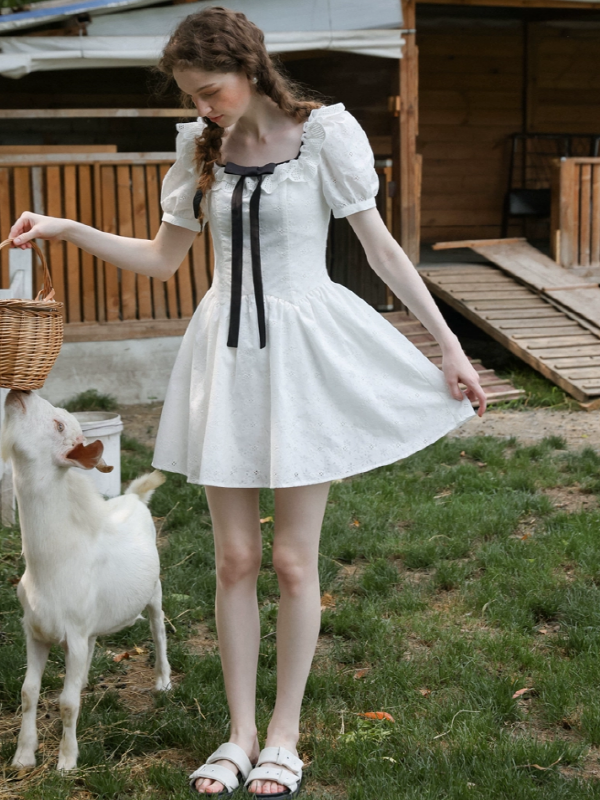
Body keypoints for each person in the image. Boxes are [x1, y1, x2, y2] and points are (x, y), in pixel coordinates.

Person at [10, 7, 486, 797]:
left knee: (296, 561)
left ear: (250, 67)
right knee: (236, 560)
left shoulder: (326, 136)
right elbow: (164, 261)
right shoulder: (199, 152)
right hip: (223, 362)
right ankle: (235, 736)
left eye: (211, 90)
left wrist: (448, 344)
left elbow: (380, 247)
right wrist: (67, 227)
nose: (204, 107)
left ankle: (283, 740)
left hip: (304, 359)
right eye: (193, 96)